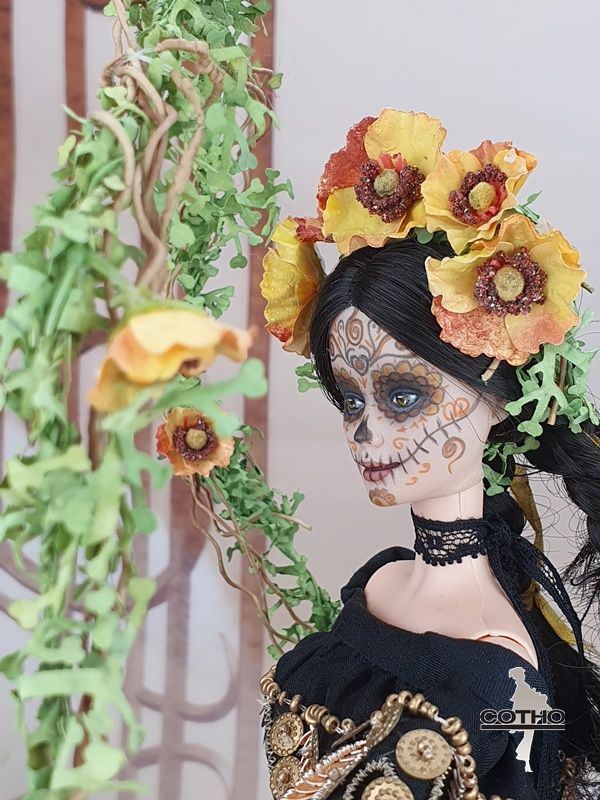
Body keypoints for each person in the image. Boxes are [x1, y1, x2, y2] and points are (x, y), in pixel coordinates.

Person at [259, 109, 600, 800]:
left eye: (403, 396)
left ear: (497, 396)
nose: (364, 433)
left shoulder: (500, 667)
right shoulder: (380, 584)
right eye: (349, 399)